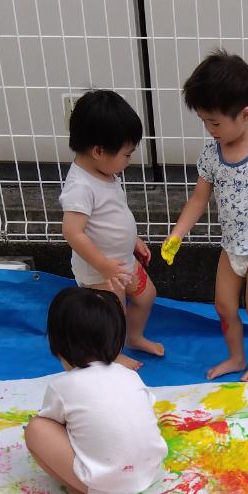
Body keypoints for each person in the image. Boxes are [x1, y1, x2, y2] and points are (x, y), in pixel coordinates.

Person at [165, 50, 248, 382]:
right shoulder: (211, 154)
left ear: (245, 114)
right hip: (230, 248)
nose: (209, 129)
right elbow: (198, 199)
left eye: (214, 122)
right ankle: (237, 357)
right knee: (224, 307)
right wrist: (177, 234)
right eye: (204, 122)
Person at [24, 288, 167, 494]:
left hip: (104, 487)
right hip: (149, 473)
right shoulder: (130, 375)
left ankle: (83, 493)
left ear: (58, 344)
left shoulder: (62, 386)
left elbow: (53, 424)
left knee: (37, 428)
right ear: (116, 341)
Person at [60, 89, 162, 371]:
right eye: (126, 154)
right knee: (112, 316)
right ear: (98, 151)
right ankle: (112, 354)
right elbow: (73, 232)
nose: (129, 160)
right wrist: (103, 266)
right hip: (100, 271)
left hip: (122, 261)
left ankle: (135, 337)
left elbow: (115, 213)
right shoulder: (80, 187)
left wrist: (134, 240)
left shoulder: (105, 173)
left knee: (146, 295)